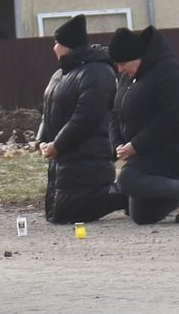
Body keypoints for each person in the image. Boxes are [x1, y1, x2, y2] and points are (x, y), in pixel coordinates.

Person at [109, 25, 179, 224]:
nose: (120, 69)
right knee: (142, 216)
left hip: (170, 148)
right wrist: (118, 144)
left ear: (138, 57)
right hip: (141, 152)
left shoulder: (169, 71)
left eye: (123, 63)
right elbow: (115, 112)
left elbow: (174, 117)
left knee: (126, 180)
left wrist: (136, 145)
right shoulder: (127, 77)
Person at [36, 15, 123, 225]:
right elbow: (47, 111)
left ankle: (173, 190)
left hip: (89, 156)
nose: (54, 48)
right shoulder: (59, 74)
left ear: (68, 46)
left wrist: (58, 144)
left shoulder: (97, 72)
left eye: (57, 43)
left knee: (77, 209)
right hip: (64, 160)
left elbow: (86, 117)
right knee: (63, 213)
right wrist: (42, 141)